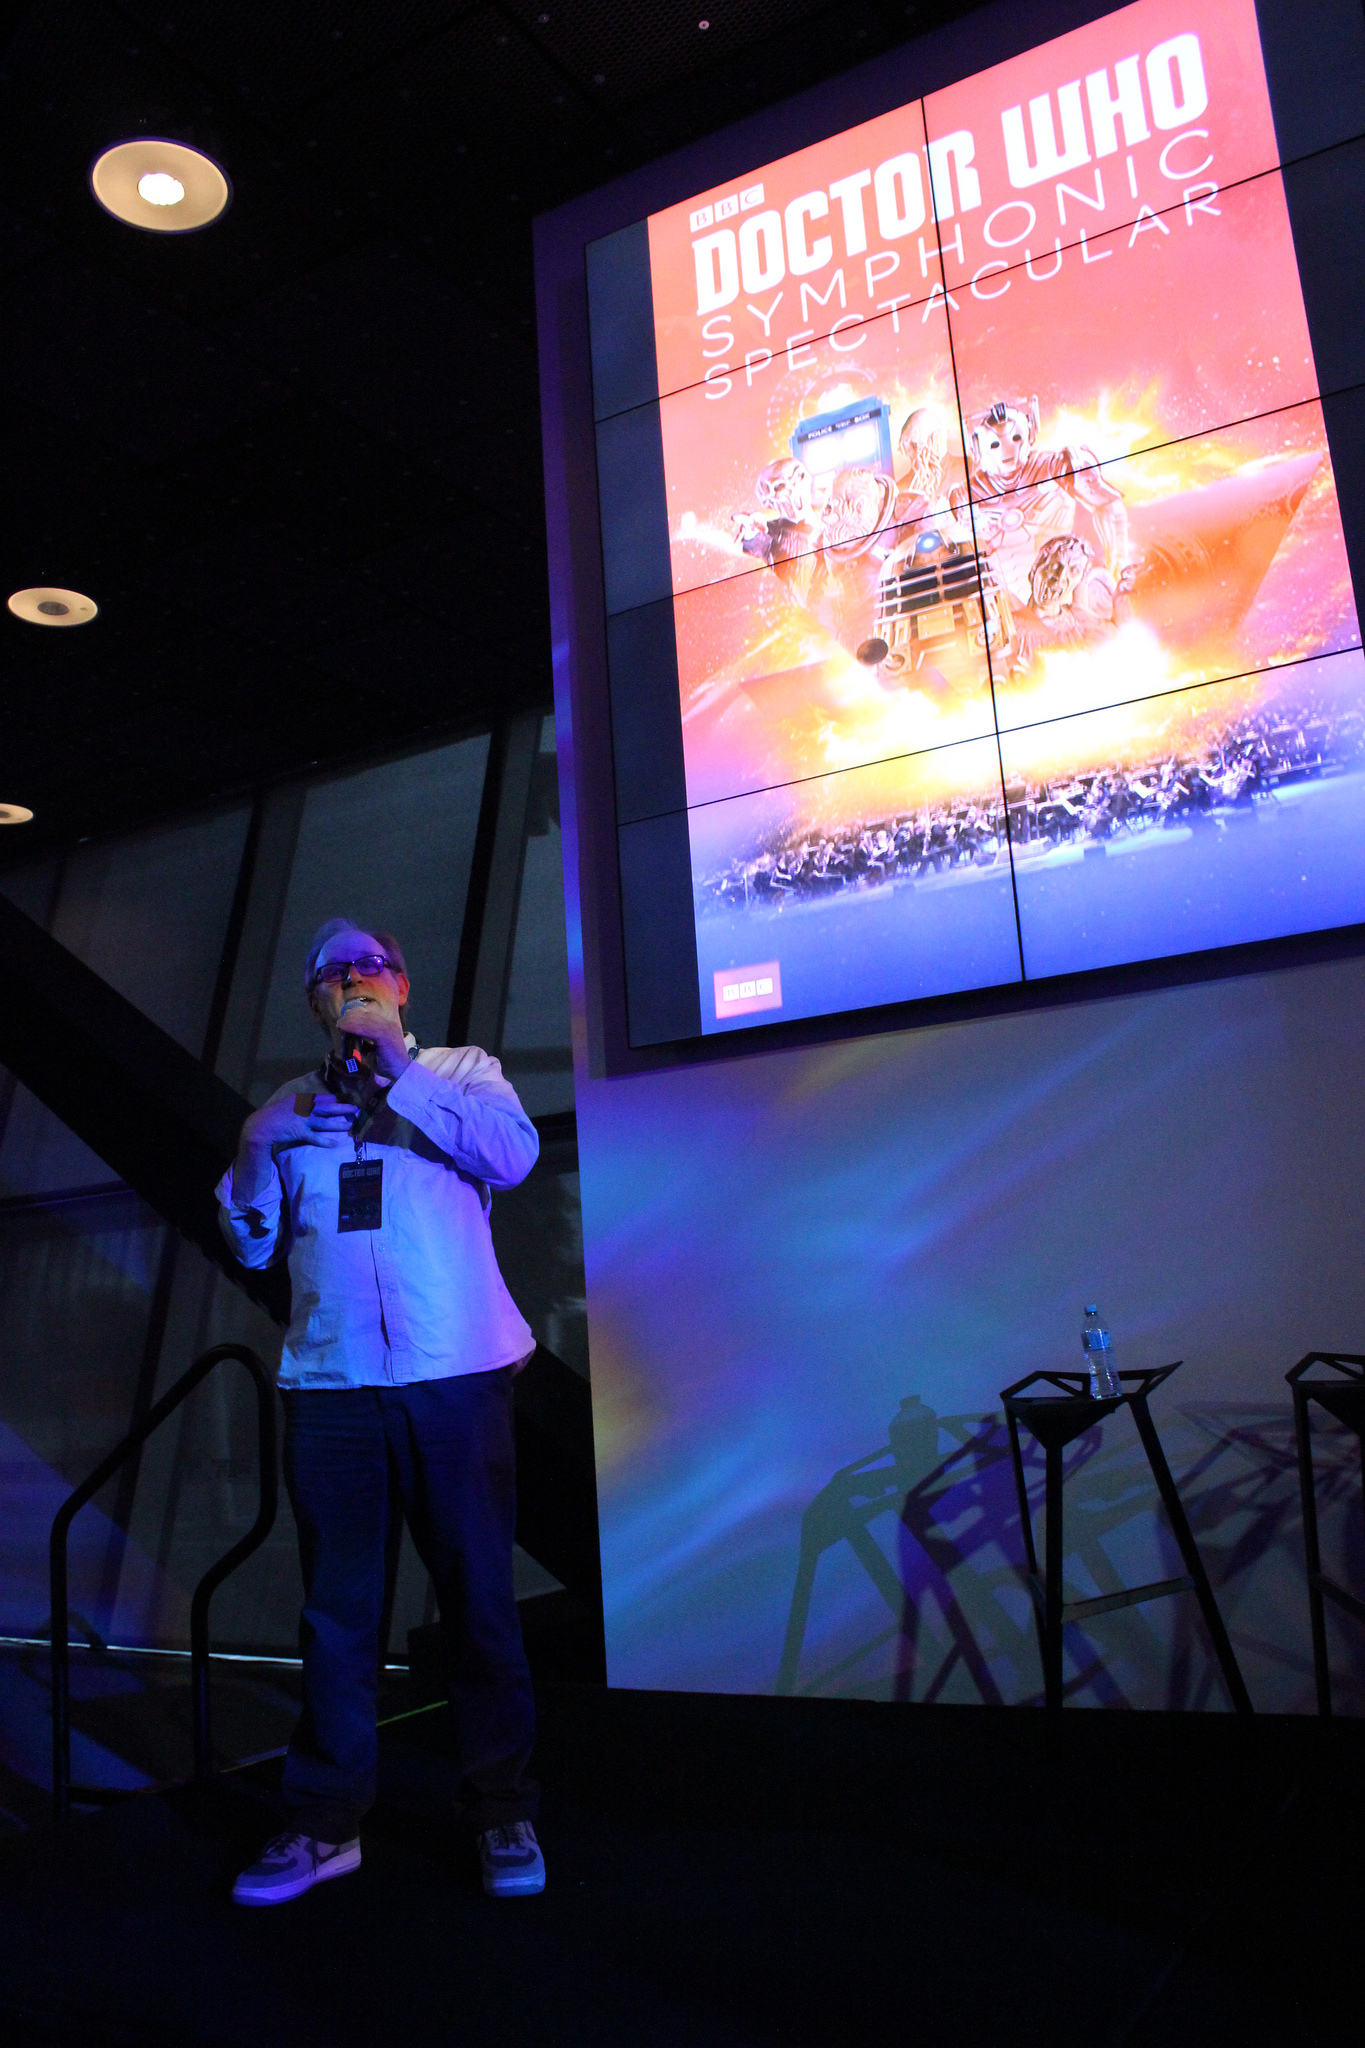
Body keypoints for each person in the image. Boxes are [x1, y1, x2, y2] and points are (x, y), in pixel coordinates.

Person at [217, 918, 544, 1904]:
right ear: (315, 999)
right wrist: (253, 1144)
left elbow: (513, 1157)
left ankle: (500, 1807)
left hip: (456, 1375)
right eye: (335, 971)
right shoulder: (288, 1105)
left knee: (478, 1601)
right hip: (333, 1385)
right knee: (338, 1615)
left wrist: (402, 1073)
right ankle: (325, 1824)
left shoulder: (461, 1071)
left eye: (372, 966)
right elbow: (251, 1242)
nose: (354, 978)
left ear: (401, 986)